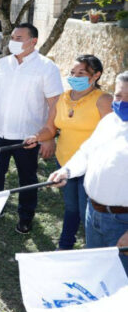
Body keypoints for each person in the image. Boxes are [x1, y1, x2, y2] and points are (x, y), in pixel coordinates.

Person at [0, 23, 64, 234]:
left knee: (27, 179)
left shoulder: (46, 68)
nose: (13, 41)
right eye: (12, 37)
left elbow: (54, 105)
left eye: (19, 38)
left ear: (33, 42)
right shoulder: (2, 64)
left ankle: (25, 217)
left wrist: (49, 135)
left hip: (28, 137)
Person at [24, 55, 112, 249]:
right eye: (73, 73)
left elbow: (112, 134)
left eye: (81, 73)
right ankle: (65, 245)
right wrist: (36, 137)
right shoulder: (62, 99)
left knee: (85, 211)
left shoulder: (103, 100)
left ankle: (94, 250)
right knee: (71, 207)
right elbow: (50, 129)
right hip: (64, 162)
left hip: (91, 165)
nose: (75, 77)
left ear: (96, 75)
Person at [48, 71, 128, 271]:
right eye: (119, 96)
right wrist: (66, 171)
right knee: (96, 271)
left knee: (120, 280)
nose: (122, 102)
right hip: (94, 214)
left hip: (122, 223)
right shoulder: (110, 121)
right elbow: (87, 151)